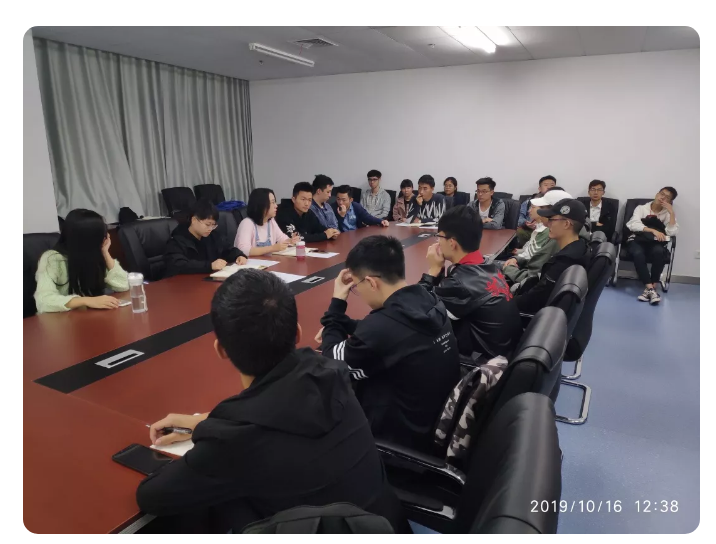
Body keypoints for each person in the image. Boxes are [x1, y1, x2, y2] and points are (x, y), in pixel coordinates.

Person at [136, 270, 410, 533]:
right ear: (298, 333)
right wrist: (205, 422)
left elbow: (152, 496)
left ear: (221, 350)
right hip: (386, 527)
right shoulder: (331, 374)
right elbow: (279, 411)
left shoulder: (234, 443)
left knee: (222, 500)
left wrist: (212, 433)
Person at [318, 236, 459, 453]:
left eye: (357, 286)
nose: (358, 292)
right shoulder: (427, 298)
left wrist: (337, 304)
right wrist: (344, 325)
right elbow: (388, 333)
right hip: (428, 419)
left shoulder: (382, 328)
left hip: (398, 441)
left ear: (372, 282)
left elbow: (331, 362)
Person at [418, 206, 522, 361]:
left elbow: (417, 310)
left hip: (483, 365)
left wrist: (433, 270)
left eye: (439, 237)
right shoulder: (487, 265)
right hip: (506, 352)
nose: (437, 242)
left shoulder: (460, 283)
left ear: (452, 243)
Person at [34, 209, 129, 313]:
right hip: (60, 319)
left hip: (87, 315)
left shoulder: (94, 254)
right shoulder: (51, 259)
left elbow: (124, 285)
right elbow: (44, 301)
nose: (107, 237)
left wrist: (105, 253)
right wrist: (87, 301)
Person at [515, 198, 591, 314]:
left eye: (551, 219)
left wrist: (505, 303)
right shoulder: (580, 247)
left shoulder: (565, 261)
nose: (547, 224)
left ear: (566, 224)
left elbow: (533, 300)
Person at [498, 189, 572, 288]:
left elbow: (531, 278)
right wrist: (517, 259)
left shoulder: (555, 240)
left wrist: (510, 268)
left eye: (547, 213)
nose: (542, 214)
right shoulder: (563, 237)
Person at [164, 199, 247, 277]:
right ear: (194, 220)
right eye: (207, 224)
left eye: (213, 225)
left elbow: (227, 250)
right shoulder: (176, 240)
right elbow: (178, 265)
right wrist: (209, 266)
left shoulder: (212, 236)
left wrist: (239, 255)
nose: (210, 229)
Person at [625, 187, 679, 305]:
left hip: (654, 243)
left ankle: (650, 289)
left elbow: (671, 232)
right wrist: (652, 230)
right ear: (657, 194)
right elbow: (633, 224)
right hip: (638, 240)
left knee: (659, 252)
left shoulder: (667, 214)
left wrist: (671, 213)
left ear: (670, 202)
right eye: (661, 194)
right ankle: (651, 288)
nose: (662, 198)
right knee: (638, 253)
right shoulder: (641, 208)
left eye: (667, 197)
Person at [234, 188, 299, 257]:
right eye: (273, 202)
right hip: (251, 263)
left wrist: (290, 241)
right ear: (262, 205)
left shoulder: (271, 221)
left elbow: (282, 238)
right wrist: (272, 248)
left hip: (268, 261)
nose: (276, 206)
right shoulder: (247, 223)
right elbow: (244, 250)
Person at [276, 182, 340, 242]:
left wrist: (332, 233)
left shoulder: (308, 212)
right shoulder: (283, 213)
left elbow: (320, 228)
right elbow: (295, 238)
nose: (307, 204)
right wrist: (325, 235)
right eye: (303, 199)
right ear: (294, 199)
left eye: (309, 200)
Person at [516, 175, 557, 245]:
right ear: (540, 189)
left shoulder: (559, 203)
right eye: (546, 185)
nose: (549, 187)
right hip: (531, 230)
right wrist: (527, 224)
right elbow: (519, 217)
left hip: (550, 231)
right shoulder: (529, 201)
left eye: (552, 185)